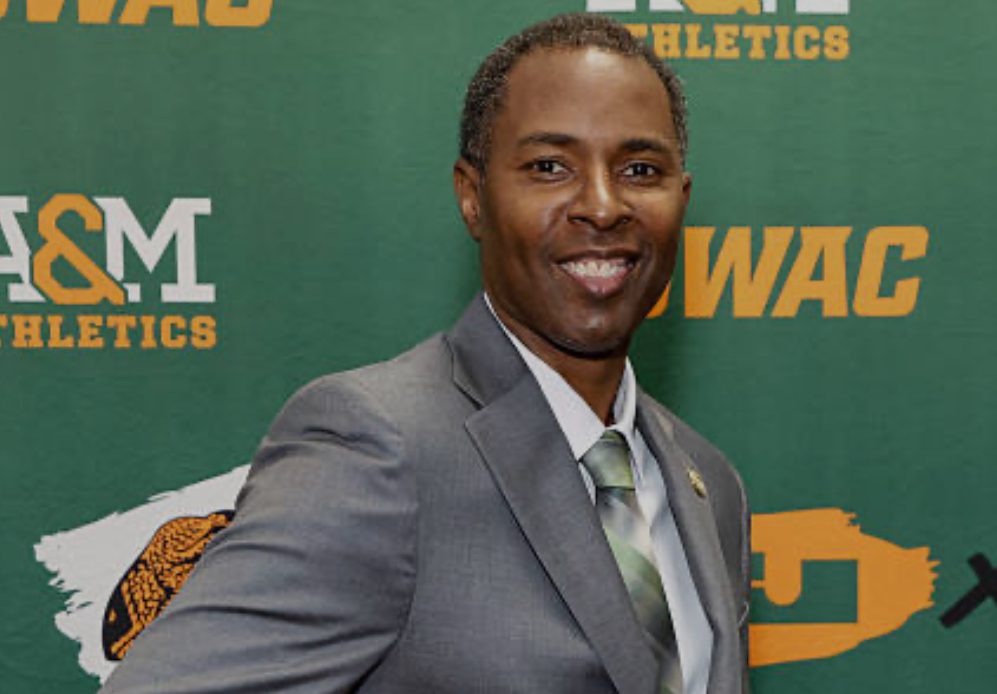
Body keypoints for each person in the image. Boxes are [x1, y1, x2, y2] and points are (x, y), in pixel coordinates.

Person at [101, 13, 750, 694]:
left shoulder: (708, 482)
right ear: (472, 198)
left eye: (639, 169)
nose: (602, 204)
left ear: (680, 200)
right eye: (549, 167)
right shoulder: (379, 445)